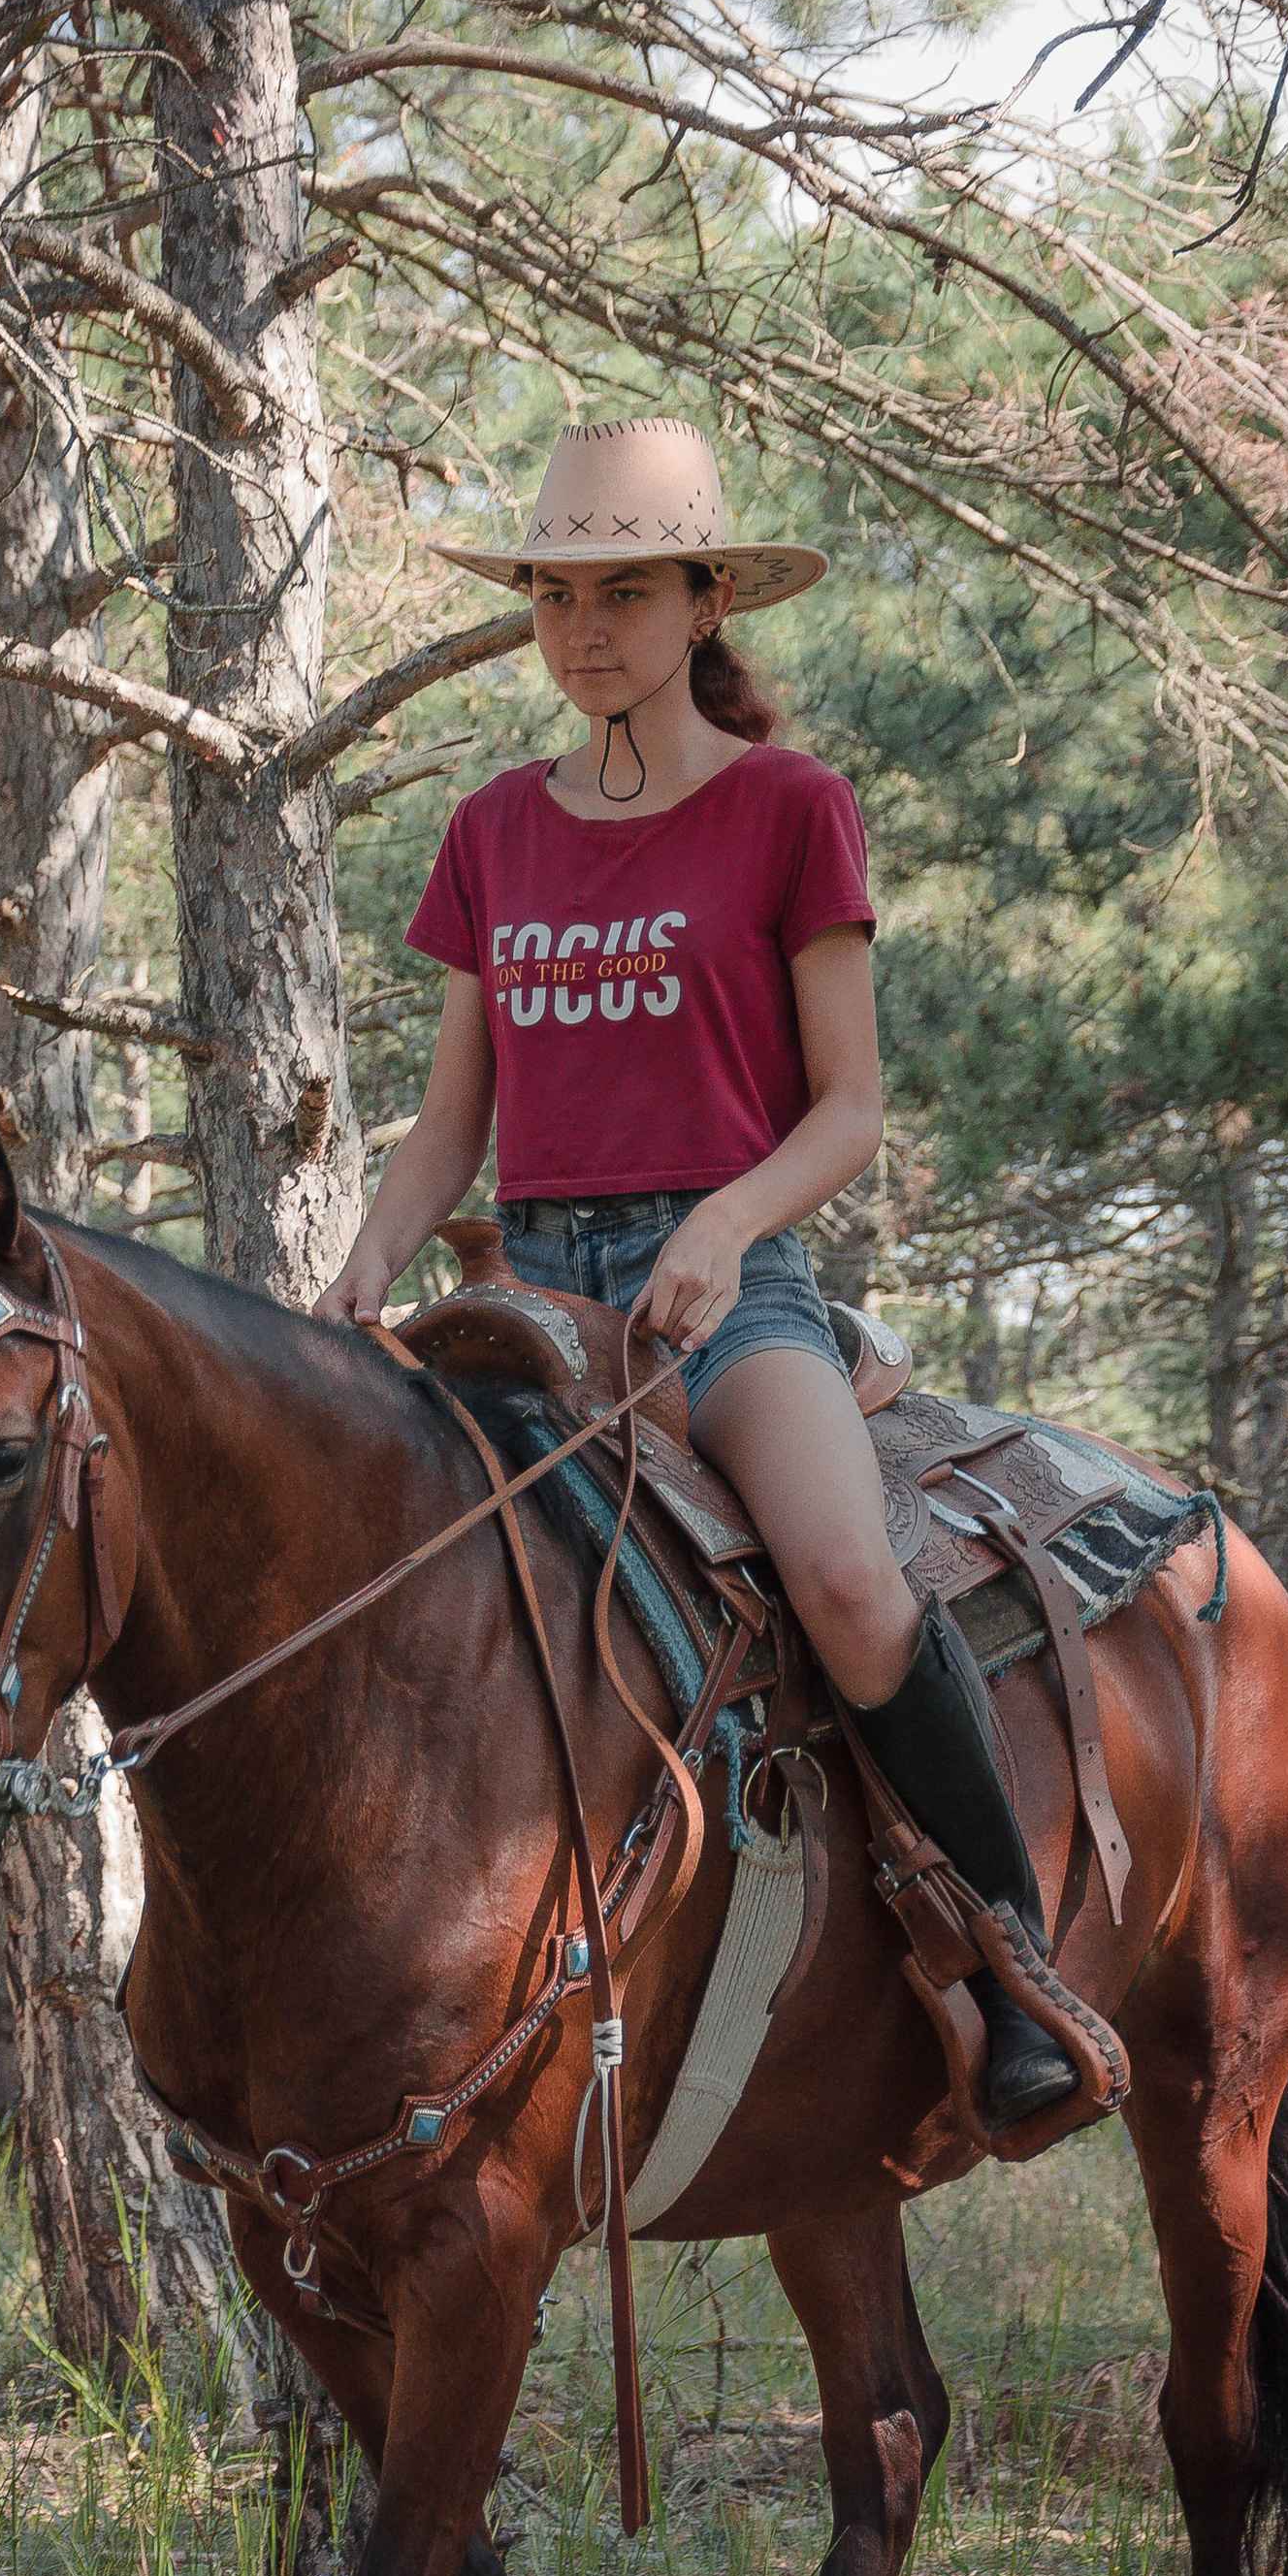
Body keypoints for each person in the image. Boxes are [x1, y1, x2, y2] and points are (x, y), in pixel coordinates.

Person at [315, 418, 1074, 2122]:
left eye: (627, 591)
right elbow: (450, 1130)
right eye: (557, 594)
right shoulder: (493, 830)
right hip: (529, 1289)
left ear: (706, 597)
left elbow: (852, 1106)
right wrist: (364, 1259)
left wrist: (726, 1229)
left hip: (726, 1286)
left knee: (856, 1585)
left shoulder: (794, 812)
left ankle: (1017, 1964)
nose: (586, 628)